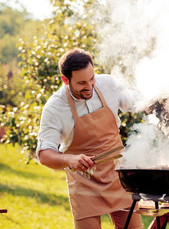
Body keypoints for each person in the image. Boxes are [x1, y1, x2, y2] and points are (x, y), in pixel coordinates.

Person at [36, 49, 143, 229]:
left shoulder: (108, 84)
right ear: (65, 80)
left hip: (117, 174)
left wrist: (164, 96)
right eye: (82, 83)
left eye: (92, 78)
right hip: (84, 180)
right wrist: (70, 159)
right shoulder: (54, 108)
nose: (90, 86)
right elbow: (44, 154)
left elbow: (136, 101)